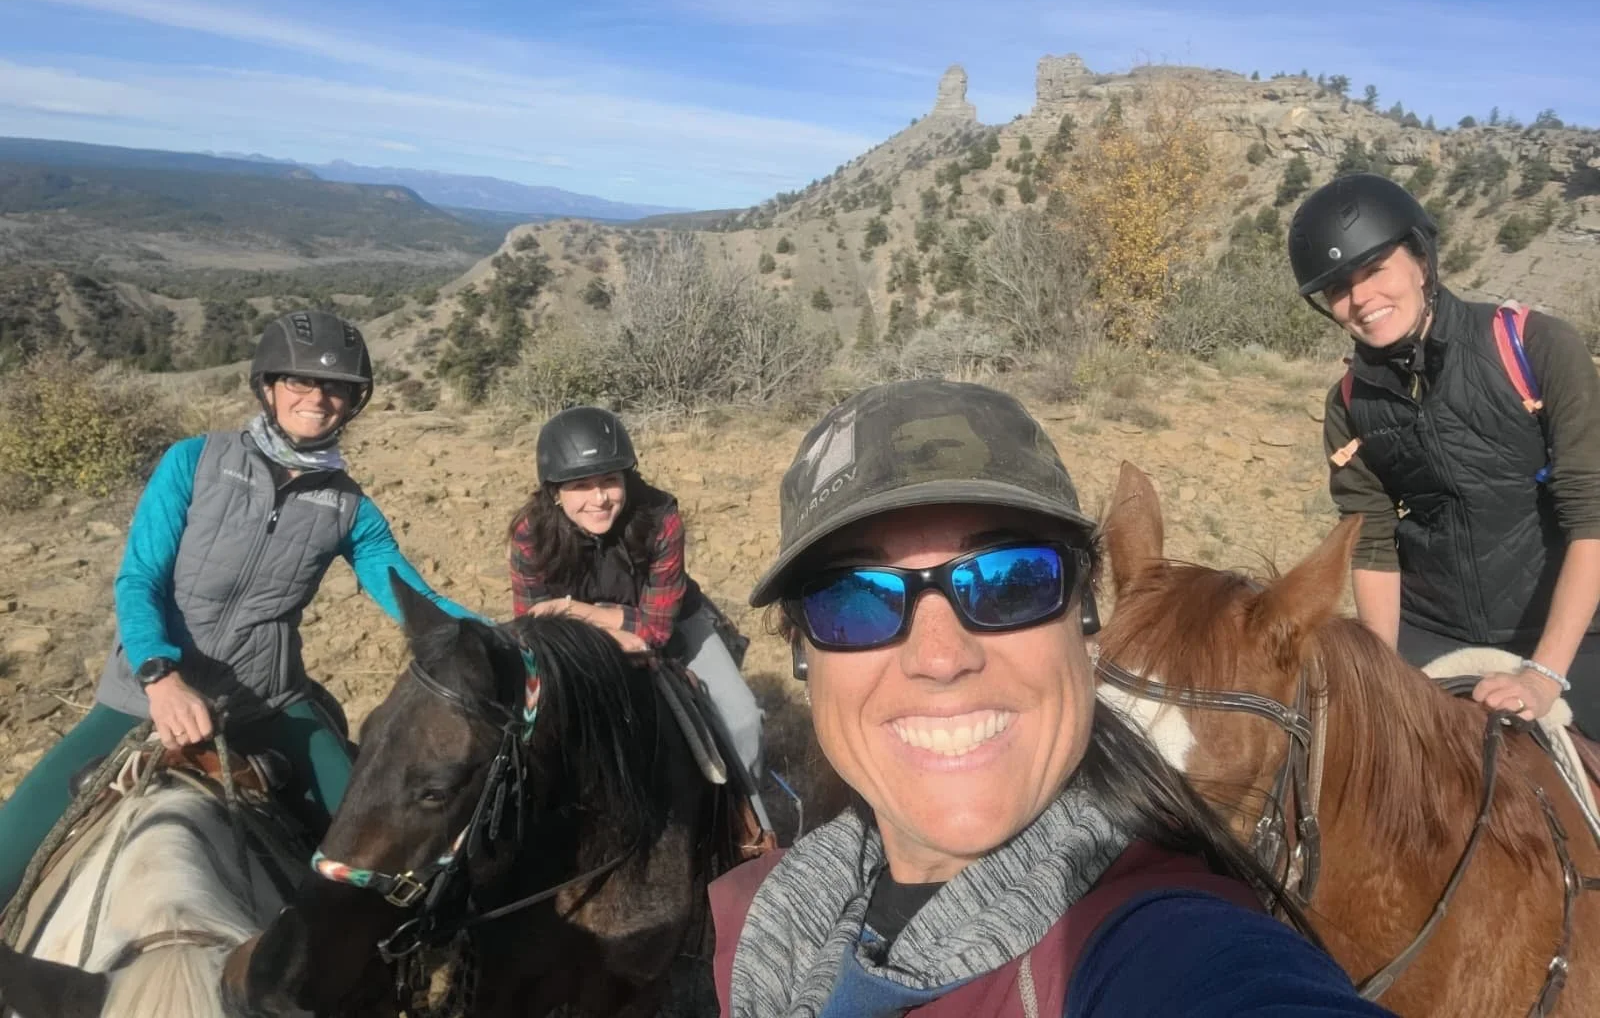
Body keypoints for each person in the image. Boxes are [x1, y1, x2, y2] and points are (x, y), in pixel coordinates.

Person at [710, 379, 1394, 1016]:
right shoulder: (764, 919)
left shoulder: (1155, 940)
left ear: (1086, 618)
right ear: (802, 651)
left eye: (1011, 580)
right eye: (855, 600)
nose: (941, 657)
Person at [0, 310, 483, 914]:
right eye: (299, 382)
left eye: (335, 387)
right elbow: (139, 578)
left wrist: (512, 637)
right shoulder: (194, 462)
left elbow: (416, 599)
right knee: (8, 850)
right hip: (140, 694)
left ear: (352, 402)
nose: (317, 398)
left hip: (266, 701)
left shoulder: (349, 509)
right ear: (267, 387)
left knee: (372, 859)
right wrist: (160, 677)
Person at [1289, 173, 1600, 735]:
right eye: (1338, 288)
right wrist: (1381, 672)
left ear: (1422, 261)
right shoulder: (1351, 404)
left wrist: (1543, 674)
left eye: (1376, 268)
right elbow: (1374, 541)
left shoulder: (1536, 347)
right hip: (1432, 628)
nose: (1361, 299)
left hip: (1577, 634)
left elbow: (1591, 513)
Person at [507, 405, 772, 835]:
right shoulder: (530, 535)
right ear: (554, 491)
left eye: (610, 481)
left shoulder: (660, 518)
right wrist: (607, 631)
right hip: (576, 645)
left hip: (676, 626)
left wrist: (577, 612)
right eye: (581, 485)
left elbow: (657, 630)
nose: (600, 498)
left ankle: (749, 828)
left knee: (743, 722)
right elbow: (534, 629)